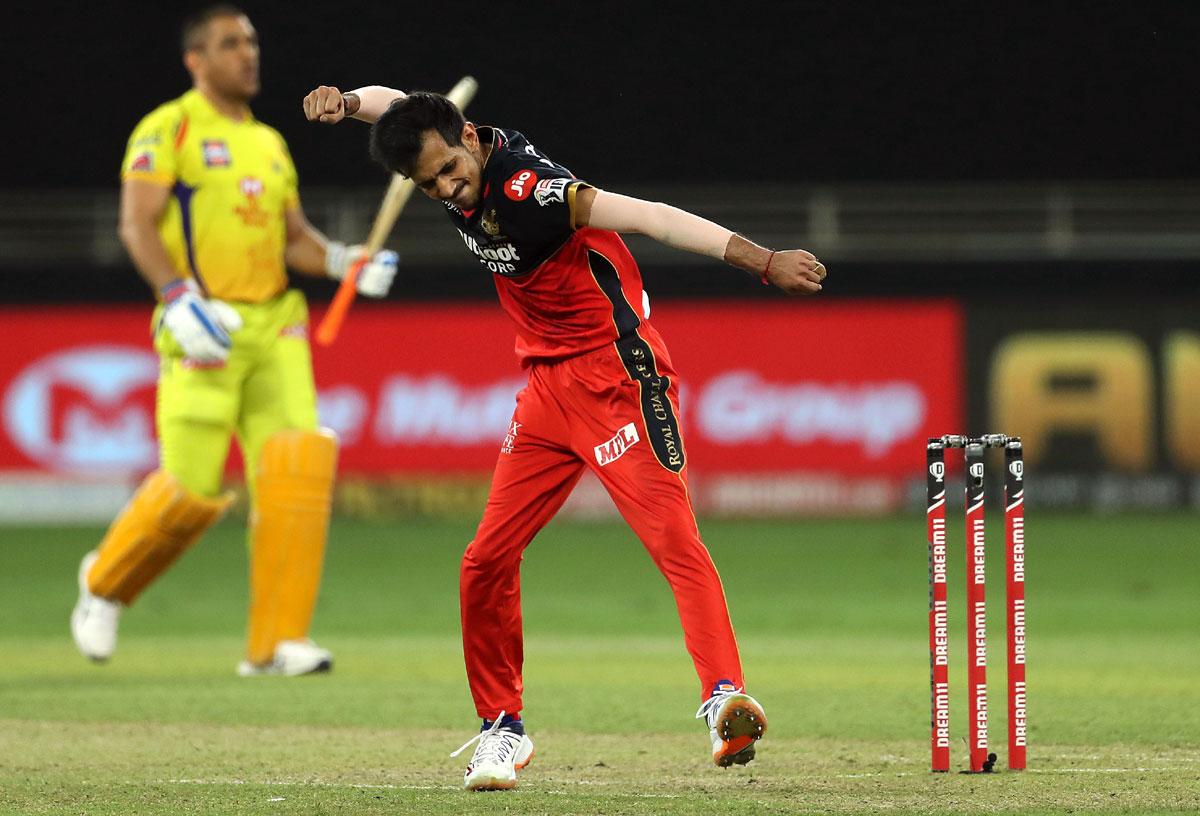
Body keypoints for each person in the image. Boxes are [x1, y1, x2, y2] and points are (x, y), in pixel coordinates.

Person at [302, 82, 825, 790]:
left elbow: (652, 217)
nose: (449, 189)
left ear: (469, 137)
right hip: (546, 392)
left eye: (451, 170)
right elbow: (400, 102)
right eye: (429, 185)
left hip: (618, 378)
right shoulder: (447, 143)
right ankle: (501, 729)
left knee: (675, 542)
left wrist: (760, 260)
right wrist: (348, 100)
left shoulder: (535, 191)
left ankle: (722, 698)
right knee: (484, 560)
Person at [70, 5, 398, 677]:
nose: (248, 55)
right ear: (197, 59)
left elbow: (293, 239)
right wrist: (176, 295)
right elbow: (136, 224)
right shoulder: (170, 127)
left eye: (251, 43)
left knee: (295, 475)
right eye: (229, 44)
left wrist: (342, 262)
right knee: (188, 493)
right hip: (202, 327)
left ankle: (276, 643)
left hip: (275, 325)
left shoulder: (270, 143)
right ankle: (104, 583)